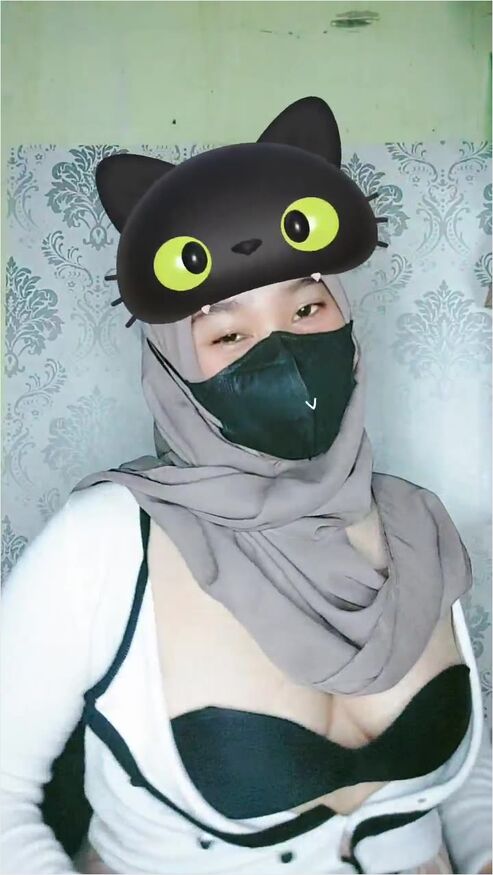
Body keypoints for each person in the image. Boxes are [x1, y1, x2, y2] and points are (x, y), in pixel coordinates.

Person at [1, 97, 491, 875]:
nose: (282, 350)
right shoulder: (102, 543)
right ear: (174, 364)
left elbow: (467, 768)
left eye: (307, 306)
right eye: (227, 332)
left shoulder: (414, 522)